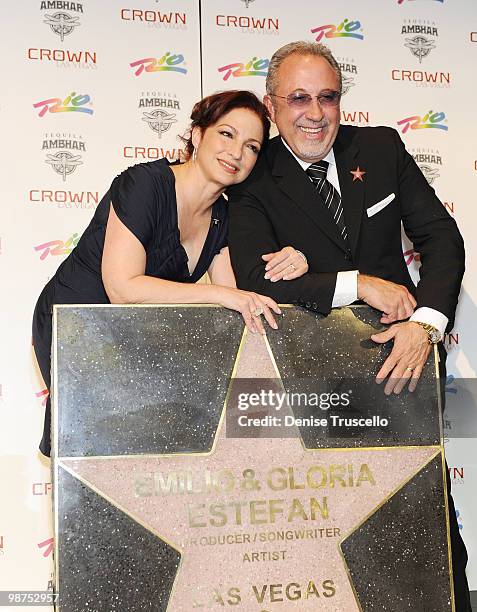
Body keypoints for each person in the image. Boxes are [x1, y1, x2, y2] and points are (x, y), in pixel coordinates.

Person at [228, 42, 470, 610]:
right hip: (302, 380)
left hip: (400, 361)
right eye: (299, 98)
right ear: (271, 105)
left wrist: (427, 326)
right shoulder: (253, 175)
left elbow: (443, 239)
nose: (316, 112)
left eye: (328, 97)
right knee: (326, 536)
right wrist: (357, 282)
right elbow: (256, 279)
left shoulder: (380, 147)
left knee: (426, 520)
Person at [33, 90, 309, 458]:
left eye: (252, 146)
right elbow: (123, 288)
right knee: (94, 450)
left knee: (144, 451)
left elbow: (237, 300)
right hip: (77, 322)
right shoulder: (144, 184)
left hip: (131, 335)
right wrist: (222, 295)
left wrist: (295, 260)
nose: (237, 152)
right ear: (198, 135)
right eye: (226, 134)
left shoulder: (223, 217)